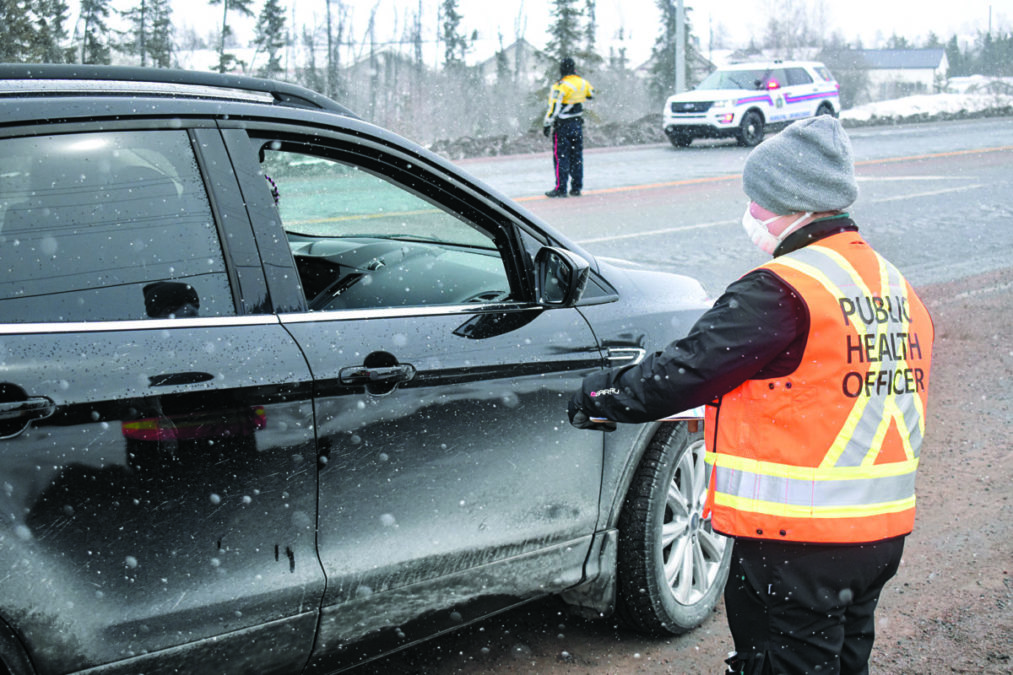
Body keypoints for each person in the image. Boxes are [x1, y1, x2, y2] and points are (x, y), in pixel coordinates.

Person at [567, 116, 934, 675]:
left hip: (798, 539)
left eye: (759, 202)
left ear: (796, 204)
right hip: (877, 532)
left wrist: (602, 395)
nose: (752, 215)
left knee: (780, 665)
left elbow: (690, 369)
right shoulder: (890, 285)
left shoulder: (784, 287)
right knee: (841, 662)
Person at [543, 56, 594, 198]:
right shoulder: (583, 83)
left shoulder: (560, 86)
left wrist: (547, 124)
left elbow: (553, 107)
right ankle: (577, 187)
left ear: (561, 69)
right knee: (577, 156)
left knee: (561, 157)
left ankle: (561, 188)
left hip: (563, 126)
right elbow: (591, 94)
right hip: (577, 124)